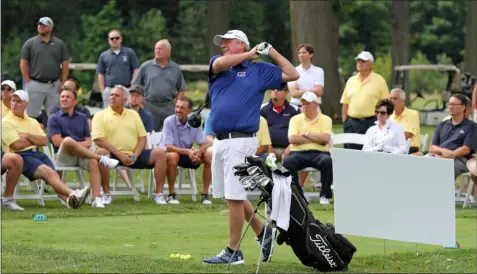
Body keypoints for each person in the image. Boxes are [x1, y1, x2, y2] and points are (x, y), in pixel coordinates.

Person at [202, 29, 299, 265]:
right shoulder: (219, 65)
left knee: (235, 196)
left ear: (241, 44)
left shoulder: (259, 71)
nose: (223, 45)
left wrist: (270, 51)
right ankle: (263, 231)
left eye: (228, 42)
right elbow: (221, 62)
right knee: (230, 196)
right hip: (220, 140)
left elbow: (292, 73)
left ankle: (233, 252)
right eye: (222, 42)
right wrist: (247, 55)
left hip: (241, 139)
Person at [1, 90, 90, 209]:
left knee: (52, 175)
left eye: (18, 101)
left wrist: (27, 136)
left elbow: (44, 141)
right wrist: (33, 139)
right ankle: (74, 194)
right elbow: (16, 145)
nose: (14, 104)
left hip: (37, 154)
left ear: (26, 104)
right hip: (21, 155)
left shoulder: (32, 121)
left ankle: (69, 200)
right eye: (13, 100)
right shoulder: (6, 122)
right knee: (49, 173)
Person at [91, 85, 168, 205]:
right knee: (101, 153)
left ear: (124, 100)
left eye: (116, 95)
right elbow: (99, 140)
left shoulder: (133, 114)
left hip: (134, 155)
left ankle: (159, 195)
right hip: (113, 156)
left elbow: (142, 138)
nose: (112, 97)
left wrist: (135, 155)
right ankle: (106, 194)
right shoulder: (100, 115)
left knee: (161, 153)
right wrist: (120, 155)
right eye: (111, 95)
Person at [47, 88, 119, 208]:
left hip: (82, 155)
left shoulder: (81, 118)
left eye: (67, 97)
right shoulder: (53, 118)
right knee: (67, 140)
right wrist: (74, 145)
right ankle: (101, 158)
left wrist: (76, 147)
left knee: (93, 163)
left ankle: (96, 199)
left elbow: (88, 141)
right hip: (63, 156)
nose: (64, 99)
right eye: (62, 97)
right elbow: (57, 142)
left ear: (75, 101)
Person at [283, 92, 333, 205]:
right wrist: (316, 138)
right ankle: (298, 196)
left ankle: (325, 195)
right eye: (303, 104)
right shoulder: (295, 119)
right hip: (298, 153)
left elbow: (325, 139)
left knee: (327, 162)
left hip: (320, 153)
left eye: (308, 104)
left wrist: (306, 134)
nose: (304, 106)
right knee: (288, 162)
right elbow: (292, 139)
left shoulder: (326, 119)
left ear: (316, 105)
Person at [160, 97, 212, 205]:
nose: (178, 110)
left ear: (189, 110)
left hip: (188, 155)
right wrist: (189, 152)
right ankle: (171, 195)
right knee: (174, 156)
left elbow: (204, 143)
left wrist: (198, 152)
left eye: (182, 108)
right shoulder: (169, 121)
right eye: (177, 107)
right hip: (169, 155)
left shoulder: (195, 121)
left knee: (208, 155)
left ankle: (204, 195)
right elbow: (168, 147)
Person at [20, 17, 69, 120]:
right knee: (30, 115)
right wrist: (28, 81)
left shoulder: (59, 44)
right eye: (39, 25)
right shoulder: (30, 43)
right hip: (35, 83)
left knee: (55, 116)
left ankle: (52, 136)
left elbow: (65, 64)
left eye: (43, 25)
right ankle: (30, 135)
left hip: (54, 85)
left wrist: (63, 82)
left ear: (50, 28)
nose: (40, 27)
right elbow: (23, 63)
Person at [133, 39, 187, 131]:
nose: (157, 51)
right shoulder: (146, 66)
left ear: (168, 52)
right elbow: (136, 86)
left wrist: (178, 105)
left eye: (160, 49)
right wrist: (140, 103)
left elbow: (181, 89)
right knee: (150, 134)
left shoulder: (175, 68)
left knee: (171, 133)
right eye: (156, 49)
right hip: (149, 106)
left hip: (169, 106)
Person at [340, 51, 389, 150]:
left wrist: (382, 121)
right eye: (358, 60)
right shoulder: (351, 81)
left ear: (371, 64)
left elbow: (386, 103)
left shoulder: (380, 80)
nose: (359, 63)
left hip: (372, 122)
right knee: (350, 152)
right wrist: (345, 121)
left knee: (372, 152)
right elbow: (345, 103)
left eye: (363, 61)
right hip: (352, 123)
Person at [429, 94, 477, 178]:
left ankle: (442, 191)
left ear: (463, 107)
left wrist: (449, 155)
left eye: (454, 104)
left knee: (443, 169)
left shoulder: (471, 126)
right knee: (420, 163)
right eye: (449, 104)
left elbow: (466, 149)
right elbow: (433, 147)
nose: (450, 107)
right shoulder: (442, 125)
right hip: (438, 156)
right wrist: (443, 152)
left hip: (460, 159)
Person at [97, 29, 140, 108]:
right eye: (112, 38)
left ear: (121, 39)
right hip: (109, 90)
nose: (114, 40)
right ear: (108, 40)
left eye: (117, 38)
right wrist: (103, 91)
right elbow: (100, 74)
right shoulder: (103, 55)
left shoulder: (129, 52)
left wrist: (132, 85)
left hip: (125, 89)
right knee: (108, 115)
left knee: (126, 113)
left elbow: (136, 69)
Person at [260, 85, 300, 162]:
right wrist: (268, 147)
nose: (275, 91)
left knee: (296, 159)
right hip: (268, 149)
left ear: (286, 92)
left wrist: (289, 148)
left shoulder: (295, 110)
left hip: (289, 149)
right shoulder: (262, 109)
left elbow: (298, 132)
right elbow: (260, 133)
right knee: (264, 159)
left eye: (278, 89)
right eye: (273, 89)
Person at [288, 44, 324, 109]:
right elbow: (294, 93)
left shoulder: (319, 71)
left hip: (314, 108)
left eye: (304, 52)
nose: (301, 55)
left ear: (311, 55)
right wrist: (312, 91)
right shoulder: (292, 71)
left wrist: (300, 91)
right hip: (296, 108)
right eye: (299, 53)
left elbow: (319, 92)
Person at [389, 88, 421, 154]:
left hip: (409, 148)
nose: (392, 101)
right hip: (392, 147)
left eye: (395, 98)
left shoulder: (413, 114)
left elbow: (406, 135)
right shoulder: (390, 116)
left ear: (403, 101)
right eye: (391, 98)